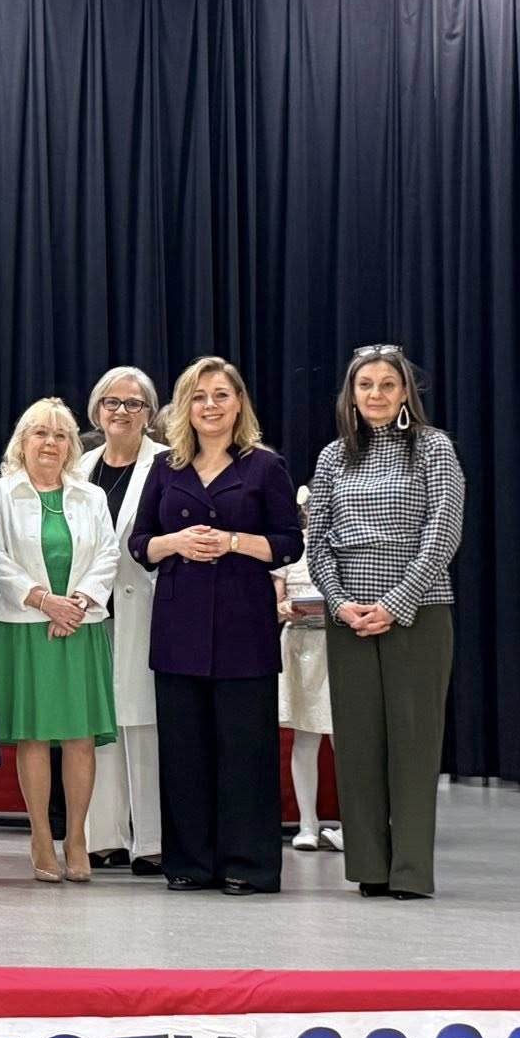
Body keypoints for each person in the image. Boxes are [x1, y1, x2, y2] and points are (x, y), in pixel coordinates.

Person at [129, 355, 303, 897]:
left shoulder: (265, 467)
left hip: (243, 625)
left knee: (245, 751)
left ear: (239, 404)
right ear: (185, 407)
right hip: (178, 625)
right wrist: (175, 542)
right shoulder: (166, 468)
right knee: (184, 751)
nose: (210, 405)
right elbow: (139, 543)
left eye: (221, 395)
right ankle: (188, 862)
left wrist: (231, 541)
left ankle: (247, 864)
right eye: (199, 397)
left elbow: (289, 543)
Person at [306, 345, 464, 900]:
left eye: (387, 385)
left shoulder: (433, 447)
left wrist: (397, 602)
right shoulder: (333, 456)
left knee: (413, 743)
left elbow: (443, 531)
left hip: (419, 612)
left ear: (404, 394)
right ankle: (370, 867)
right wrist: (340, 602)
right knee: (357, 745)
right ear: (351, 395)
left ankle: (411, 872)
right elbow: (317, 542)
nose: (376, 394)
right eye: (365, 385)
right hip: (348, 615)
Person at [0, 398, 120, 883]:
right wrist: (45, 600)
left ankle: (77, 837)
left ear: (71, 446)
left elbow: (108, 554)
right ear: (21, 442)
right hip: (24, 626)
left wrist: (77, 603)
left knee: (80, 737)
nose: (50, 442)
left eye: (61, 435)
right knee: (35, 737)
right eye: (40, 433)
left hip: (80, 626)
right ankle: (42, 835)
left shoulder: (91, 496)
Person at [74, 367, 165, 875]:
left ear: (149, 414)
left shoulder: (165, 463)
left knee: (143, 723)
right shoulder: (80, 467)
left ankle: (151, 840)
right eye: (112, 402)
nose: (121, 412)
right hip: (88, 611)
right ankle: (103, 837)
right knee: (97, 723)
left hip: (145, 607)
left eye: (134, 404)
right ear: (97, 410)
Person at [276, 486, 341, 853]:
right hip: (300, 646)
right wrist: (285, 608)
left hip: (338, 646)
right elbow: (276, 602)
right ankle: (307, 823)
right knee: (305, 736)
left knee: (343, 738)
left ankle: (355, 825)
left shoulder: (345, 544)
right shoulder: (292, 548)